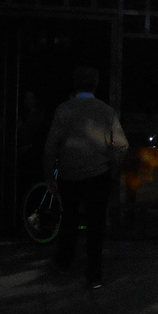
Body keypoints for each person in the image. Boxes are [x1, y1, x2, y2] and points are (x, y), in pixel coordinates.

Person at [42, 66, 129, 289]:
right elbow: (122, 145)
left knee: (69, 220)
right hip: (98, 174)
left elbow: (51, 146)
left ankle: (63, 262)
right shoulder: (106, 111)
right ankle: (94, 274)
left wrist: (49, 175)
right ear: (95, 84)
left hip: (69, 174)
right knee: (96, 223)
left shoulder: (64, 110)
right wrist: (112, 166)